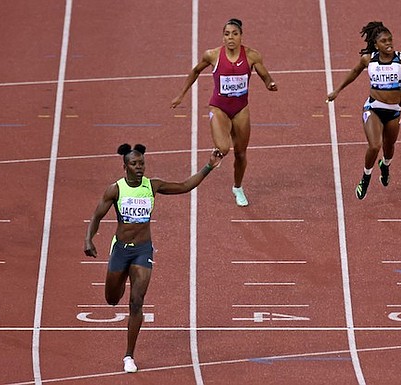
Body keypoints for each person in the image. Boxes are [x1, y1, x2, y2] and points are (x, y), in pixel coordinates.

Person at [84, 144, 224, 373]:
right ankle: (119, 282)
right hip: (120, 249)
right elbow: (97, 215)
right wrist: (88, 240)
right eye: (134, 164)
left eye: (142, 163)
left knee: (137, 301)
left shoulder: (152, 185)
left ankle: (129, 356)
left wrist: (209, 166)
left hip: (142, 250)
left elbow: (185, 186)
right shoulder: (115, 190)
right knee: (111, 299)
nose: (139, 168)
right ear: (125, 166)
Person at [171, 18, 277, 207]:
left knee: (241, 154)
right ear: (223, 37)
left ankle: (237, 188)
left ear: (241, 36)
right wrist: (181, 95)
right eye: (227, 34)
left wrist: (270, 84)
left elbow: (264, 75)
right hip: (219, 107)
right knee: (223, 148)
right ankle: (216, 155)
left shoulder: (252, 56)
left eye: (234, 34)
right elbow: (195, 71)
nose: (230, 38)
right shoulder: (212, 55)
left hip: (241, 109)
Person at [326, 21, 401, 200]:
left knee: (389, 148)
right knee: (375, 145)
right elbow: (354, 72)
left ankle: (385, 165)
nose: (389, 43)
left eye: (390, 39)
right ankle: (365, 177)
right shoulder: (369, 59)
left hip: (394, 111)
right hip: (373, 108)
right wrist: (337, 90)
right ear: (376, 44)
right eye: (384, 41)